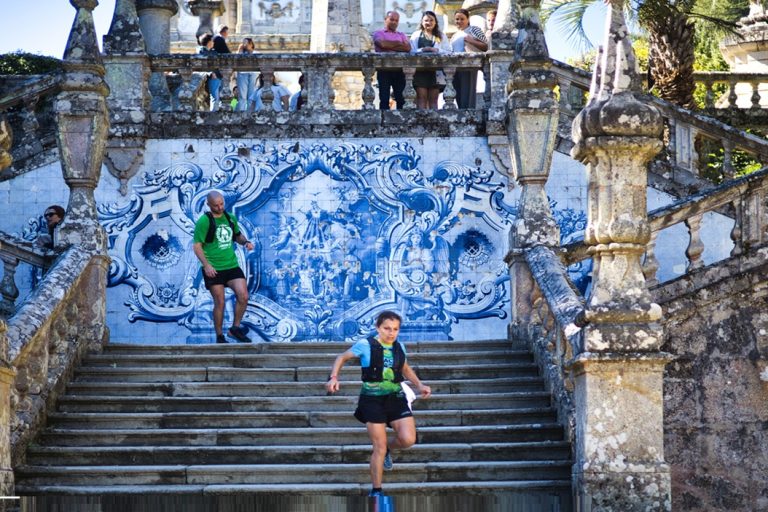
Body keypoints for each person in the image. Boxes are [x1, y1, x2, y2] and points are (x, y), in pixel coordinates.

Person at [325, 311, 431, 498]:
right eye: (387, 328)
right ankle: (376, 490)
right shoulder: (365, 344)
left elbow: (405, 368)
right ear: (378, 328)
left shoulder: (399, 347)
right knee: (379, 447)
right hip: (372, 400)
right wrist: (334, 377)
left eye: (395, 329)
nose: (391, 333)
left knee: (408, 439)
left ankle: (389, 447)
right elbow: (341, 357)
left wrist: (420, 385)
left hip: (396, 397)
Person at [192, 191, 254, 344]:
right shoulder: (204, 221)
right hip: (214, 268)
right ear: (208, 205)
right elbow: (197, 246)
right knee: (220, 302)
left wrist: (246, 242)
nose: (220, 208)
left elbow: (237, 235)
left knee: (243, 296)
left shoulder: (230, 218)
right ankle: (220, 336)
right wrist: (206, 265)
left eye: (221, 204)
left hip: (231, 265)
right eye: (216, 205)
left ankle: (235, 329)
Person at [409, 11, 452, 110]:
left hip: (436, 71)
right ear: (422, 22)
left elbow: (449, 51)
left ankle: (435, 119)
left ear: (435, 22)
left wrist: (437, 50)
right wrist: (422, 50)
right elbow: (411, 50)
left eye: (431, 20)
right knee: (421, 98)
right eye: (426, 20)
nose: (429, 22)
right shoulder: (416, 35)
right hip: (420, 70)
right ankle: (421, 118)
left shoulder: (441, 35)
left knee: (433, 99)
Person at [372, 11, 411, 110]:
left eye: (396, 20)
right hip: (384, 69)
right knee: (384, 99)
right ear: (385, 20)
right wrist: (398, 44)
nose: (394, 22)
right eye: (392, 19)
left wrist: (389, 45)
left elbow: (407, 48)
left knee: (401, 99)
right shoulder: (378, 33)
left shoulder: (401, 34)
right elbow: (382, 44)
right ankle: (384, 119)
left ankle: (401, 119)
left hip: (399, 70)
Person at [450, 8, 488, 109]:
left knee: (468, 92)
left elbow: (486, 46)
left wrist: (471, 41)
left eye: (462, 19)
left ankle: (469, 113)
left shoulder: (474, 29)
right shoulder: (454, 35)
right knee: (458, 93)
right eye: (457, 19)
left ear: (468, 19)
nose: (459, 21)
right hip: (456, 67)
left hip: (469, 65)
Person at [207, 25, 230, 111]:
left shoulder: (216, 39)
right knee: (215, 98)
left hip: (218, 73)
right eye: (227, 32)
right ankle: (214, 115)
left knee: (218, 98)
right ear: (224, 32)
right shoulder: (219, 39)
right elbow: (227, 54)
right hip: (216, 73)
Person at [235, 37, 256, 112]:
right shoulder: (240, 52)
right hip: (242, 73)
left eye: (246, 43)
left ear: (251, 44)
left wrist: (250, 51)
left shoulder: (256, 53)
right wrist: (239, 51)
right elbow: (236, 61)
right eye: (243, 43)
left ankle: (250, 113)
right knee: (242, 95)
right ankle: (241, 112)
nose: (245, 45)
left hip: (253, 74)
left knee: (251, 95)